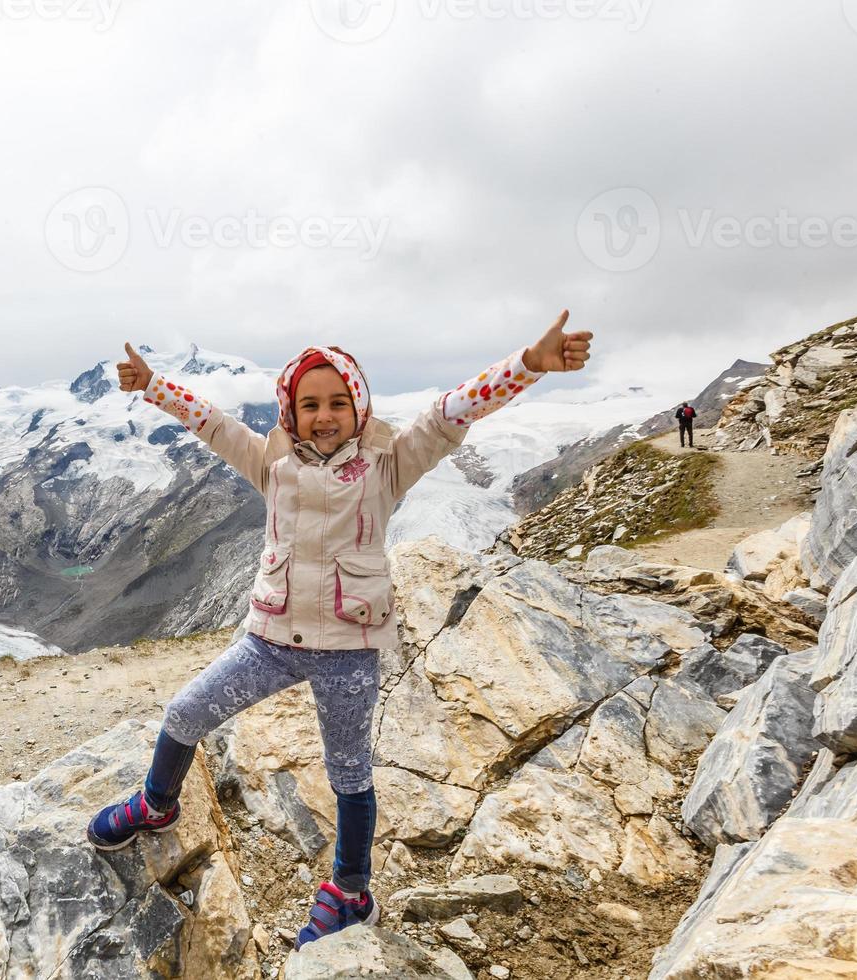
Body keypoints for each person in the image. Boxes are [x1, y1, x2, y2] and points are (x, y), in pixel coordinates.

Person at [85, 312, 594, 949]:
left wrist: (529, 364)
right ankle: (158, 804)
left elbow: (447, 415)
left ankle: (352, 892)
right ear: (289, 413)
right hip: (269, 640)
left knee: (349, 773)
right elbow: (211, 424)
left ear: (360, 408)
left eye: (337, 402)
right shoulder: (271, 465)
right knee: (185, 711)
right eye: (309, 404)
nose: (324, 415)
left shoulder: (387, 468)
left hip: (349, 649)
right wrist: (153, 384)